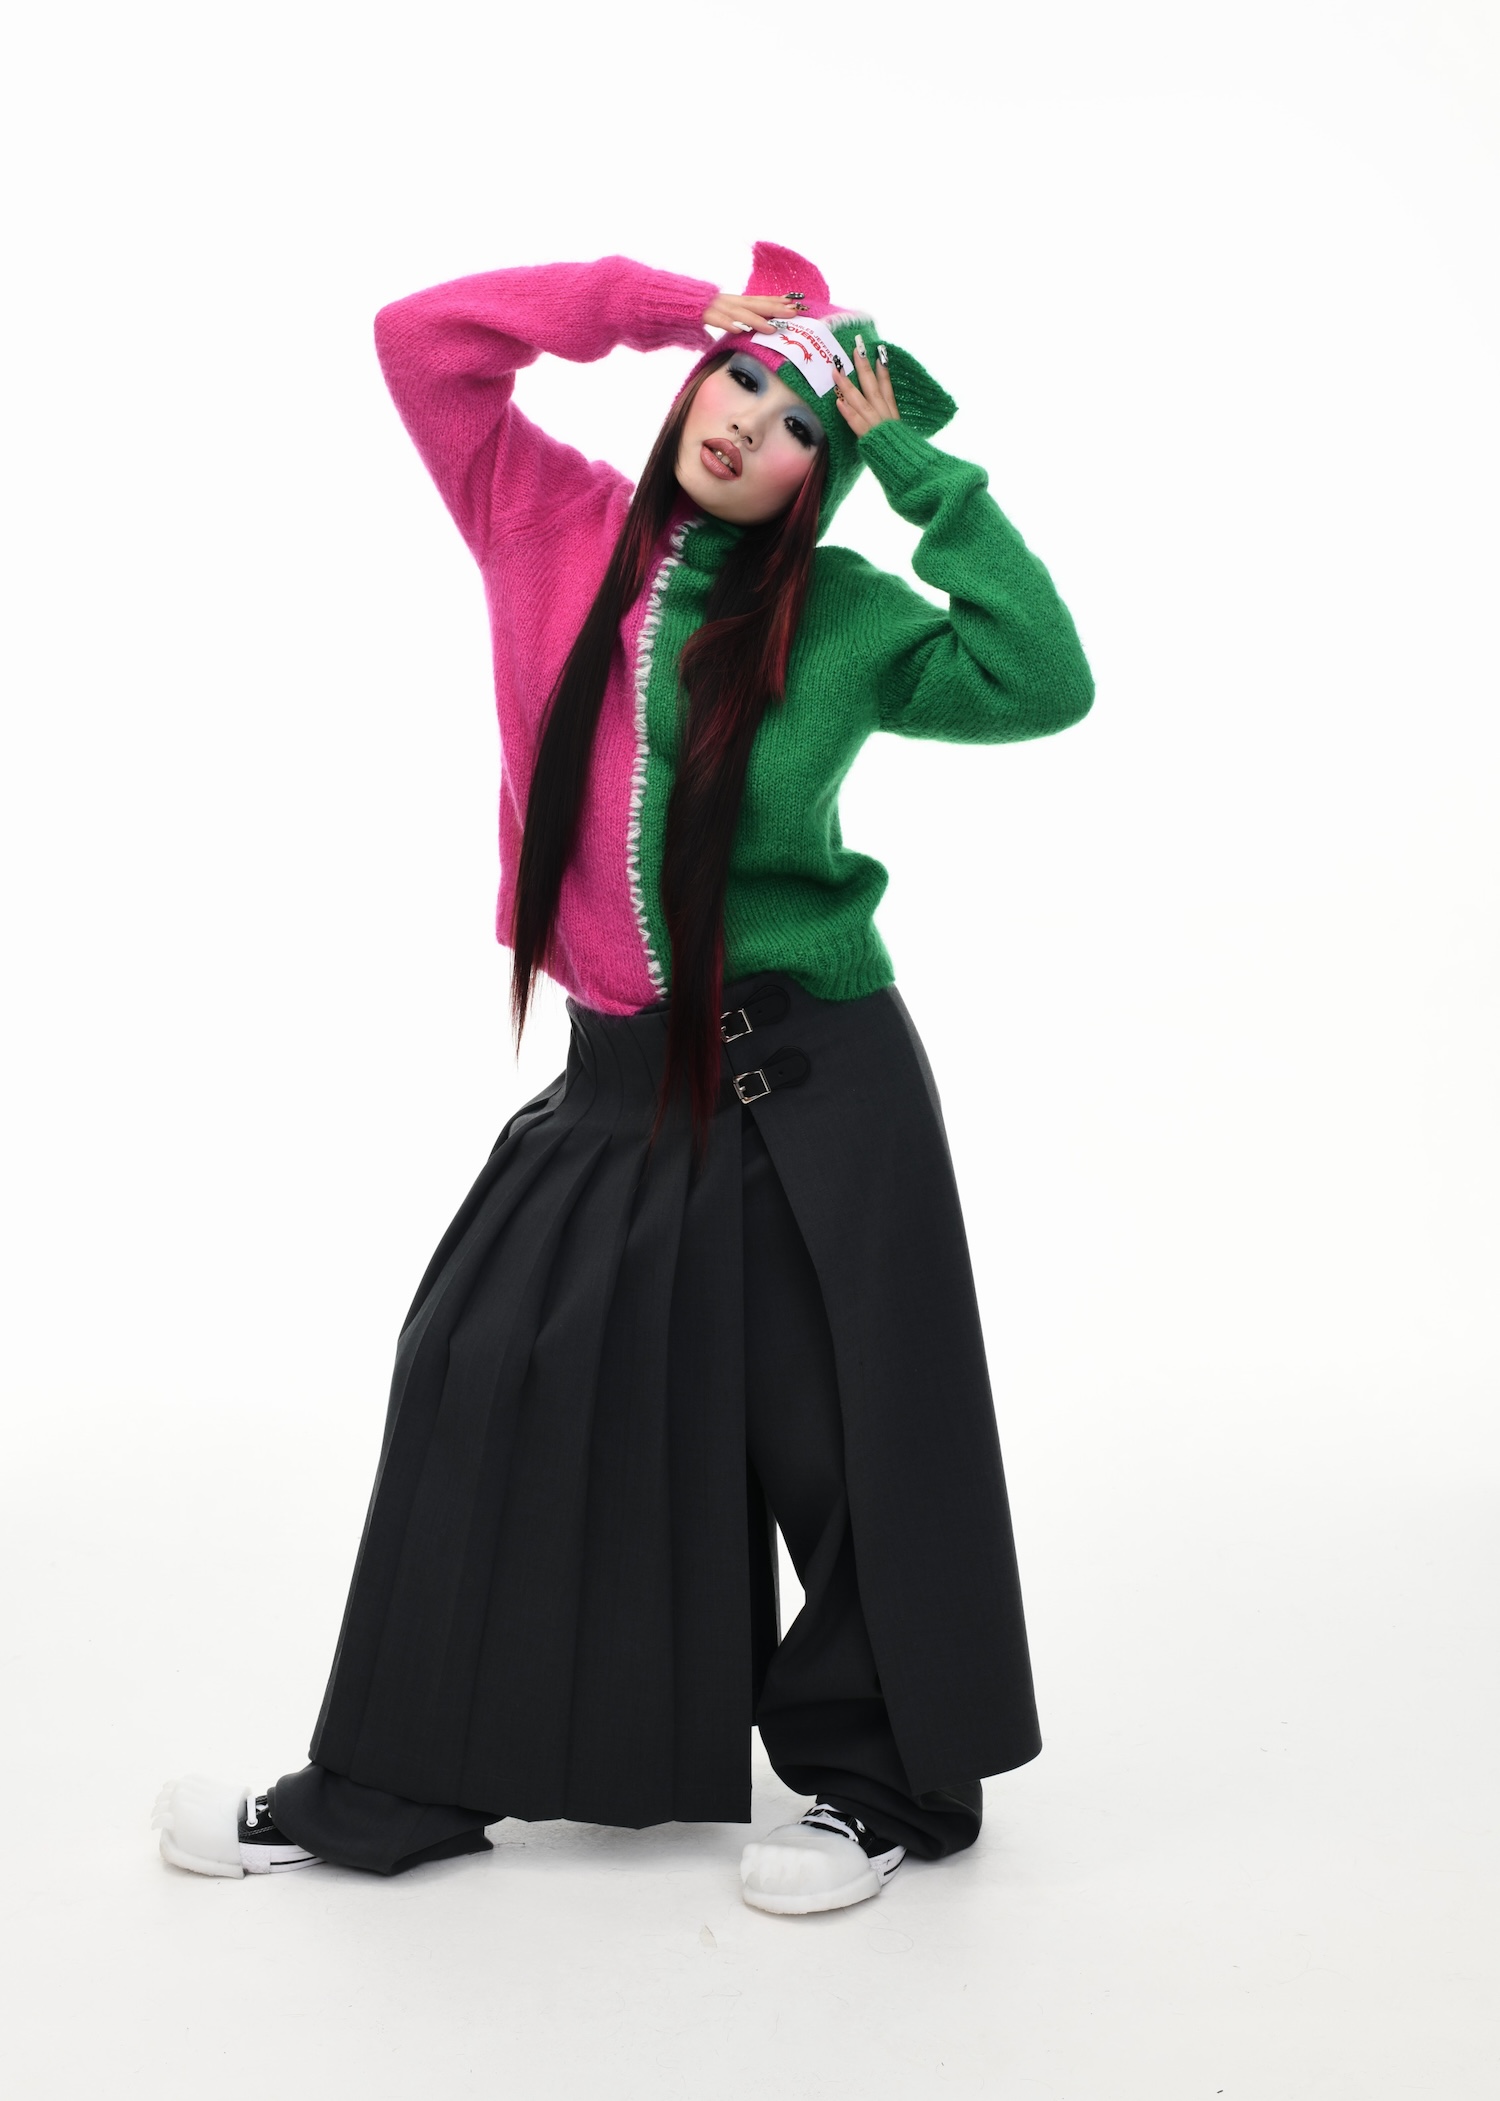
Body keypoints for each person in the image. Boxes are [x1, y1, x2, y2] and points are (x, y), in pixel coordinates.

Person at [153, 240, 1095, 1915]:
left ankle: (881, 1790)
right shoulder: (545, 516)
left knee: (835, 1432)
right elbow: (425, 340)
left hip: (813, 1075)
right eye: (740, 383)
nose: (747, 425)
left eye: (798, 424)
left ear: (822, 474)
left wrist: (912, 462)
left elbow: (1041, 678)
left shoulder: (841, 614)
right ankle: (397, 1779)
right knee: (481, 1363)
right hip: (619, 1075)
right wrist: (663, 306)